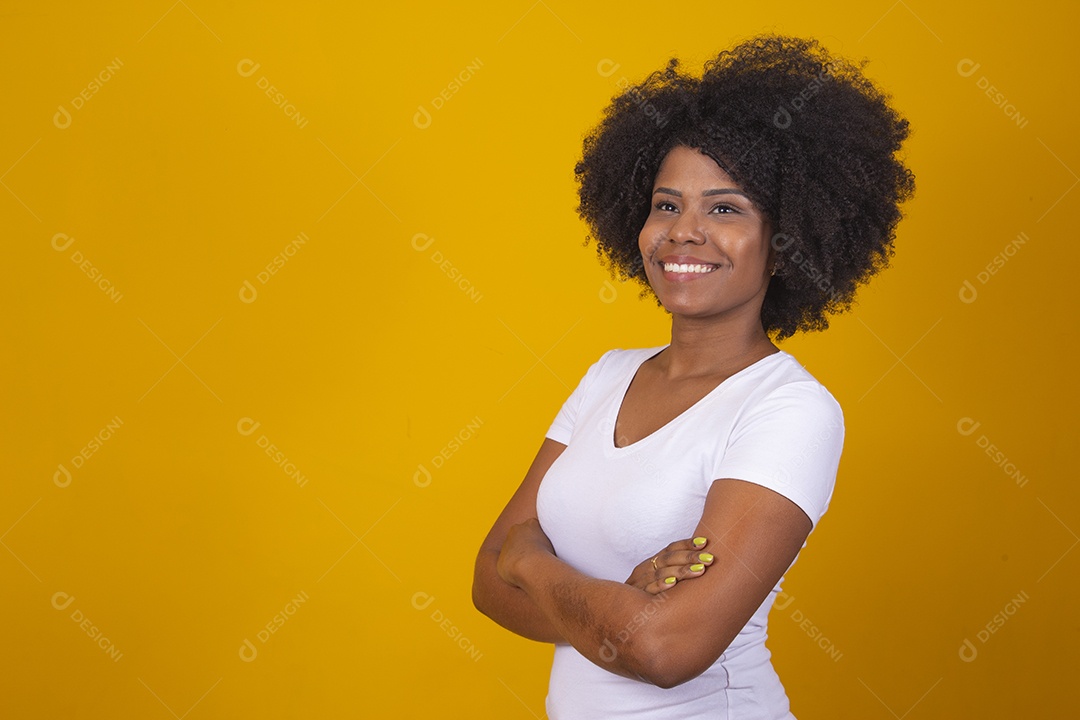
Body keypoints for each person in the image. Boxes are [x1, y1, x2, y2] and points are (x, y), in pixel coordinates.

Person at [472, 34, 914, 719]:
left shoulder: (788, 410)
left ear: (786, 238)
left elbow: (665, 651)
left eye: (726, 208)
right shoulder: (607, 376)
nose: (684, 231)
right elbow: (485, 582)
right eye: (667, 204)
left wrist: (531, 563)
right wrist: (619, 599)